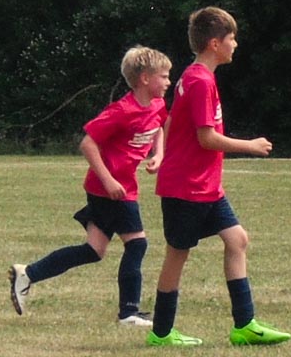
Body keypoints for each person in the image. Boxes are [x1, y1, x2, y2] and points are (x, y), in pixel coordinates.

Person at [145, 7, 290, 347]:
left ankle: (245, 325)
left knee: (237, 239)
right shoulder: (199, 81)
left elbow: (171, 122)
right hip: (187, 187)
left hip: (206, 185)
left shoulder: (197, 76)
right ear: (214, 43)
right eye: (231, 39)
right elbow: (206, 138)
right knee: (177, 255)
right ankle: (161, 332)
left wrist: (162, 152)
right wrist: (250, 146)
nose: (235, 44)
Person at [9, 46, 171, 326]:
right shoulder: (122, 111)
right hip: (109, 190)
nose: (168, 82)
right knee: (137, 244)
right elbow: (87, 143)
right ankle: (128, 313)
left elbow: (158, 126)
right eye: (164, 76)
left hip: (119, 187)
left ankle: (28, 274)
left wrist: (159, 154)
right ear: (145, 78)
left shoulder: (156, 105)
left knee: (94, 250)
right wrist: (108, 180)